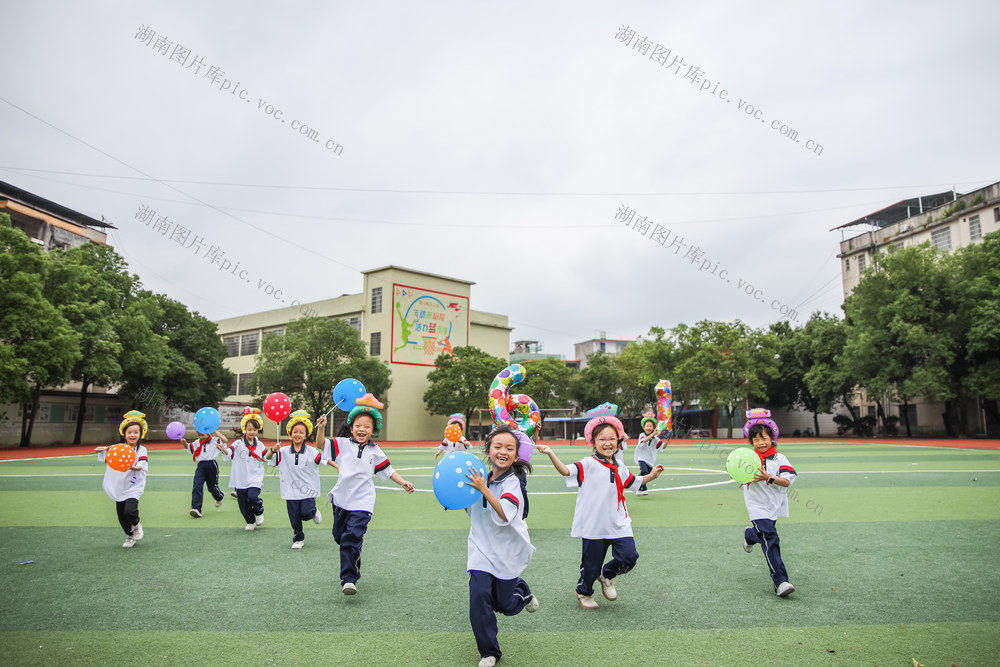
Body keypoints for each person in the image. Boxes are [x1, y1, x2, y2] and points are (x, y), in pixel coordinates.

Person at [536, 411, 664, 610]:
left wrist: (653, 476)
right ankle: (584, 591)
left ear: (618, 441)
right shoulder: (588, 464)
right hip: (594, 525)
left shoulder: (619, 465)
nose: (608, 443)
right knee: (590, 567)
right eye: (602, 439)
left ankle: (607, 575)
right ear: (593, 441)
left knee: (629, 557)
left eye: (612, 439)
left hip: (619, 522)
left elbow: (634, 482)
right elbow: (566, 471)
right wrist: (550, 453)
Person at [318, 394, 414, 595]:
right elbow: (320, 445)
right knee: (340, 537)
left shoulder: (375, 451)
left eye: (367, 427)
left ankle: (349, 579)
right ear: (352, 427)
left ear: (373, 430)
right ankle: (354, 556)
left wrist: (403, 481)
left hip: (363, 503)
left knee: (351, 537)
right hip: (341, 500)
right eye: (358, 425)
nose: (362, 429)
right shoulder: (342, 444)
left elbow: (387, 470)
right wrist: (321, 427)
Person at [464, 425, 538, 667]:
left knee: (504, 605)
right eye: (498, 446)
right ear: (488, 450)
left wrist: (483, 489)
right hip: (480, 550)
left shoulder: (513, 482)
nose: (503, 451)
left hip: (506, 551)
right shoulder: (479, 477)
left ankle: (523, 593)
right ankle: (489, 651)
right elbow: (467, 506)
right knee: (479, 596)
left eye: (509, 448)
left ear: (516, 455)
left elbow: (505, 515)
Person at [740, 408, 797, 597]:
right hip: (756, 505)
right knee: (771, 539)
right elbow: (737, 474)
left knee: (763, 535)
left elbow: (787, 481)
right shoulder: (748, 458)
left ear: (772, 438)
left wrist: (769, 478)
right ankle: (780, 581)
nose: (760, 442)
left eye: (764, 438)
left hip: (773, 505)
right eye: (756, 440)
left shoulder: (780, 458)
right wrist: (745, 477)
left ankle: (750, 535)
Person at [264, 409, 337, 549]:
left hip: (308, 490)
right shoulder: (283, 451)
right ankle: (298, 538)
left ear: (306, 435)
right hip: (290, 491)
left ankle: (313, 511)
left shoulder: (311, 451)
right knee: (294, 518)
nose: (297, 435)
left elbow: (325, 460)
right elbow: (268, 459)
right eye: (295, 432)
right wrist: (273, 450)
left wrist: (337, 467)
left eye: (301, 432)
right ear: (290, 433)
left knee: (306, 513)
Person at [94, 410, 149, 548]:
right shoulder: (118, 449)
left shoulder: (142, 450)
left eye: (136, 432)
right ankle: (130, 536)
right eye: (130, 432)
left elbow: (140, 467)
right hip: (119, 486)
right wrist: (106, 449)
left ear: (140, 434)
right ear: (124, 434)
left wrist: (129, 466)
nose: (132, 435)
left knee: (129, 511)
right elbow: (102, 454)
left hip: (134, 486)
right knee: (121, 517)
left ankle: (137, 525)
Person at [220, 407, 269, 531]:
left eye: (255, 429)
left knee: (252, 497)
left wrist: (274, 451)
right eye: (249, 429)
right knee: (242, 503)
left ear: (258, 430)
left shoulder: (260, 444)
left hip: (255, 476)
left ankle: (259, 511)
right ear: (244, 429)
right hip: (240, 478)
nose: (252, 432)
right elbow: (229, 452)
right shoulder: (238, 443)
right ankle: (250, 521)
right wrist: (222, 448)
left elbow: (266, 456)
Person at [179, 426, 228, 518]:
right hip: (201, 466)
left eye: (202, 435)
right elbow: (189, 448)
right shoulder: (197, 442)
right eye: (199, 435)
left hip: (212, 465)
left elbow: (225, 440)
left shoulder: (215, 440)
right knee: (197, 485)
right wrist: (184, 443)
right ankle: (196, 508)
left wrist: (215, 431)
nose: (201, 437)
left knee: (212, 487)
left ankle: (219, 496)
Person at [634, 413, 668, 496]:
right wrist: (654, 434)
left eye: (650, 426)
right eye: (647, 426)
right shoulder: (641, 435)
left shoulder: (655, 438)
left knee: (647, 474)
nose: (648, 428)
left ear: (653, 428)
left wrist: (668, 439)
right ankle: (641, 487)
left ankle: (638, 485)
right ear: (644, 427)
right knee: (644, 471)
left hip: (650, 459)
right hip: (641, 458)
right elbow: (644, 441)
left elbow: (662, 447)